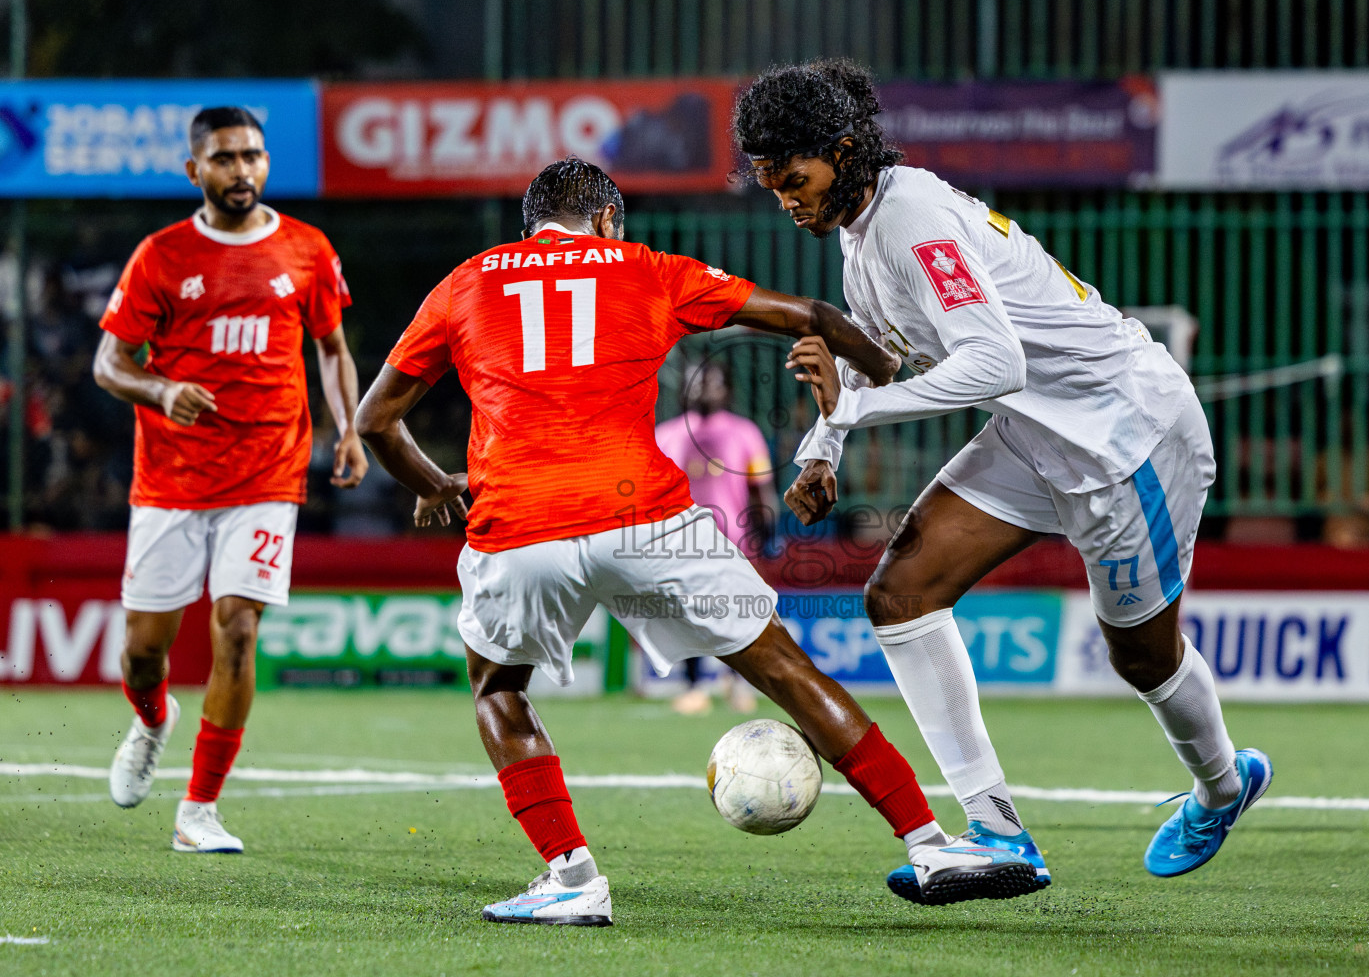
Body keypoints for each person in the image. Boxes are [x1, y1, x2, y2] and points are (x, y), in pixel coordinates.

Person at [355, 157, 1037, 926]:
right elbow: (809, 313)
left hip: (519, 526)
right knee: (780, 665)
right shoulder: (647, 267)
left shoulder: (465, 282)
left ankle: (572, 876)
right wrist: (878, 366)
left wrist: (433, 486)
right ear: (609, 221)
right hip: (647, 519)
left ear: (529, 228)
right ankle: (930, 840)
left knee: (499, 690)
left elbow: (375, 422)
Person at [733, 60, 1272, 899]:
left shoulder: (912, 218)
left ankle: (1222, 787)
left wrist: (852, 418)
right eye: (770, 186)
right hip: (1034, 435)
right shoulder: (860, 235)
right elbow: (880, 370)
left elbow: (995, 361)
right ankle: (998, 833)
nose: (786, 200)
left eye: (795, 178)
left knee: (1142, 656)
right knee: (900, 594)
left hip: (1128, 436)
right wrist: (823, 448)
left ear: (844, 151)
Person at [93, 106, 367, 853]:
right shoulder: (161, 255)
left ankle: (199, 810)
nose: (240, 170)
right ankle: (152, 721)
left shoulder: (307, 249)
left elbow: (333, 347)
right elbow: (109, 364)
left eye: (251, 156)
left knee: (239, 629)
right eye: (224, 158)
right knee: (143, 654)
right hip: (172, 480)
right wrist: (160, 390)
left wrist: (347, 428)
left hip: (268, 471)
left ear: (267, 164)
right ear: (195, 171)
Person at [655, 360, 775, 714]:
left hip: (733, 540)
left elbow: (761, 490)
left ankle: (736, 682)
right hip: (680, 541)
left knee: (736, 613)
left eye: (712, 382)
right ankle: (694, 686)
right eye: (695, 382)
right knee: (686, 615)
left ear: (727, 390)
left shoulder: (744, 432)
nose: (703, 388)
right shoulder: (664, 434)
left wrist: (767, 536)